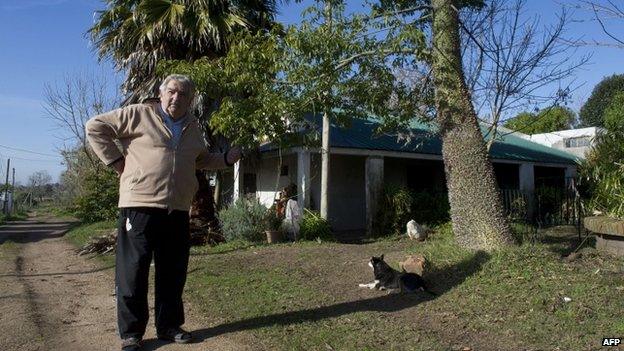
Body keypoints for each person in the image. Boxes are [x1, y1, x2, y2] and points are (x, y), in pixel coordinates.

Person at [86, 74, 241, 351]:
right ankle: (131, 334)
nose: (176, 98)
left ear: (190, 99)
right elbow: (95, 126)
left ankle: (168, 326)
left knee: (173, 272)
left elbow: (201, 159)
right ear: (161, 93)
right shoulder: (139, 114)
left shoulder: (193, 127)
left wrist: (227, 159)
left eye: (183, 94)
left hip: (178, 209)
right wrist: (118, 162)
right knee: (133, 273)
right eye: (171, 92)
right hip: (139, 207)